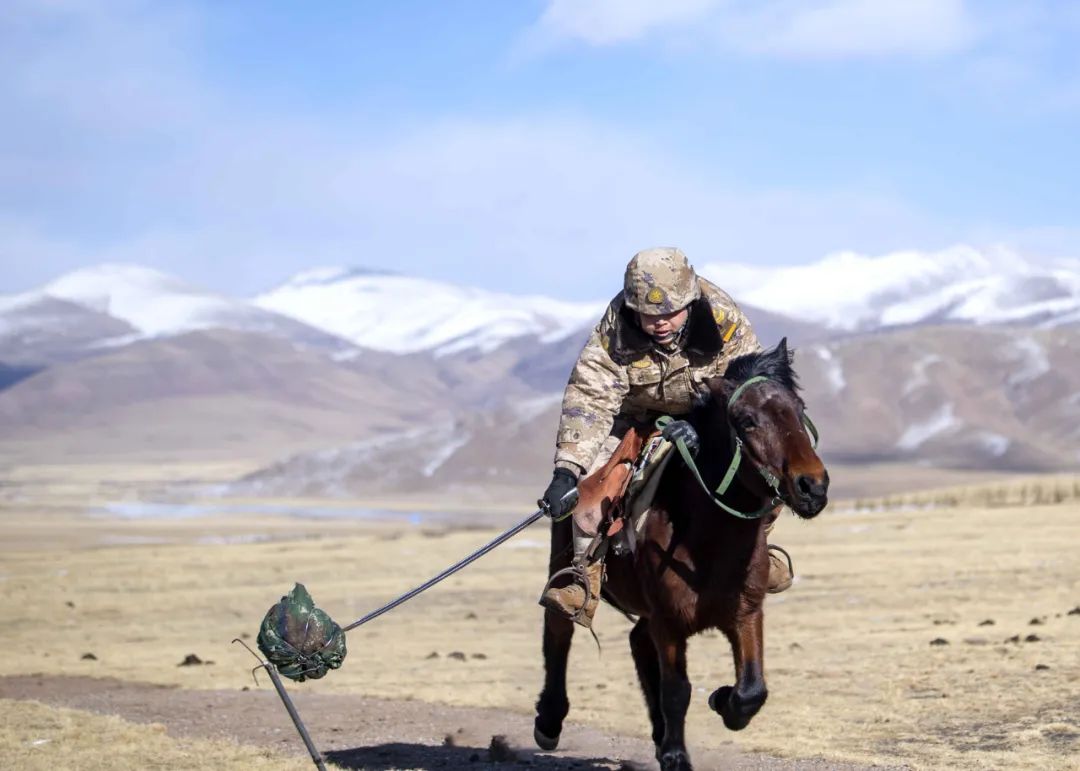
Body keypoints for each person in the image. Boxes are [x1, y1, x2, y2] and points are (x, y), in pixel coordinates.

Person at [538, 247, 794, 626]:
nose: (658, 322)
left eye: (669, 312)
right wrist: (566, 470)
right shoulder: (613, 330)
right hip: (631, 420)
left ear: (690, 302)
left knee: (768, 476)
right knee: (589, 497)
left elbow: (748, 392)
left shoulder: (724, 319)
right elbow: (589, 397)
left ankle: (758, 551)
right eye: (647, 313)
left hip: (709, 418)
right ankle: (583, 576)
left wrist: (703, 425)